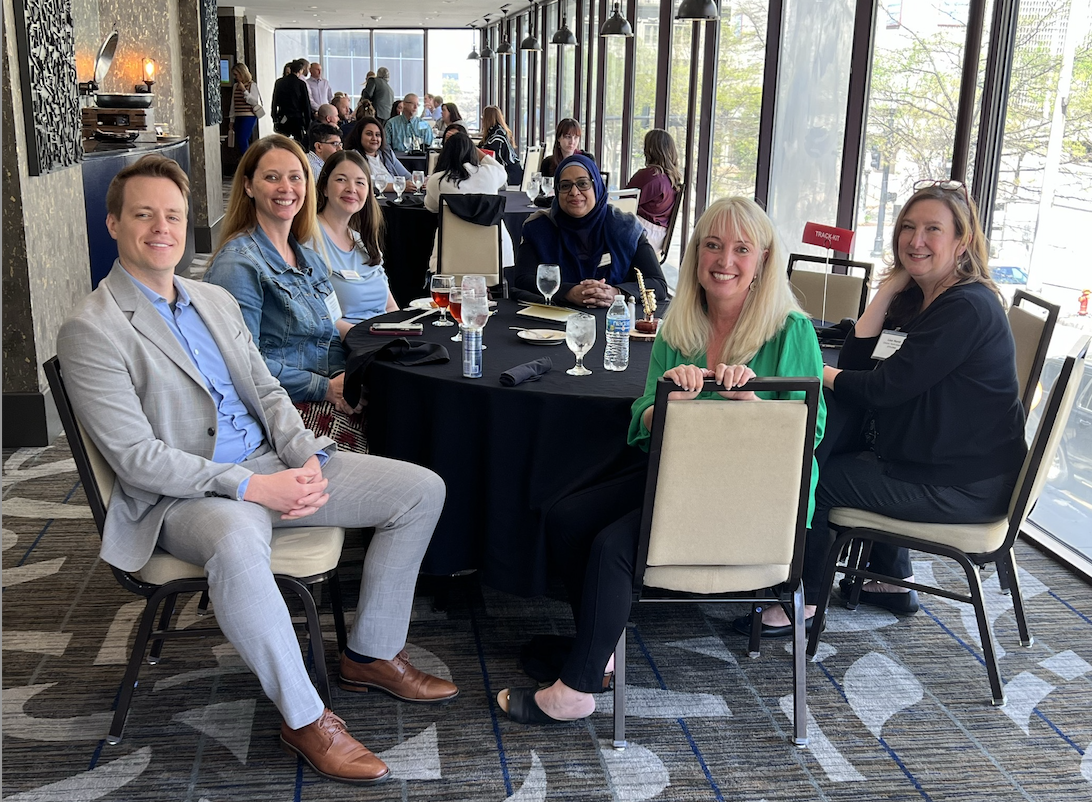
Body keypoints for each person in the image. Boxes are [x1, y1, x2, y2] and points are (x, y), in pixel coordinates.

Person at [56, 154, 456, 784]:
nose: (161, 228)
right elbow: (136, 458)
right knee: (240, 542)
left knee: (419, 490)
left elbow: (270, 393)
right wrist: (251, 485)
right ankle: (305, 716)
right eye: (143, 215)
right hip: (185, 496)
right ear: (112, 224)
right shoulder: (92, 329)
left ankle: (371, 652)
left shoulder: (212, 300)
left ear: (189, 223)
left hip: (272, 464)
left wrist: (306, 461)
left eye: (173, 215)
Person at [496, 197, 826, 724]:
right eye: (713, 245)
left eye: (742, 249)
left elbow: (810, 433)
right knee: (566, 518)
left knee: (612, 547)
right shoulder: (679, 328)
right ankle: (598, 655)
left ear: (762, 260)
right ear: (696, 255)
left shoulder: (791, 331)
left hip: (756, 499)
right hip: (680, 477)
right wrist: (669, 405)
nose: (725, 260)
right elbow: (643, 419)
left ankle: (577, 689)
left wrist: (753, 405)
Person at [762, 180, 1028, 635]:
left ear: (962, 240)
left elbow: (879, 389)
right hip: (938, 460)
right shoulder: (930, 297)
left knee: (817, 478)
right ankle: (889, 582)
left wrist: (814, 372)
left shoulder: (966, 307)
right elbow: (856, 364)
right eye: (907, 227)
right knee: (841, 446)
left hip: (964, 484)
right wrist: (887, 289)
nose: (915, 240)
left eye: (932, 229)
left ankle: (805, 600)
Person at [204, 135, 365, 452]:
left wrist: (343, 380)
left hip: (323, 395)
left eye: (296, 177)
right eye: (272, 177)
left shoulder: (311, 259)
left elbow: (330, 333)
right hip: (277, 413)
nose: (286, 188)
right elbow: (241, 365)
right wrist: (325, 388)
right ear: (249, 186)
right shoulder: (238, 266)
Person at [515, 154, 667, 308]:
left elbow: (658, 284)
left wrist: (617, 293)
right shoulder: (539, 228)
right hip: (554, 324)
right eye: (565, 186)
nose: (574, 192)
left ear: (597, 186)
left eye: (583, 183)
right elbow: (522, 280)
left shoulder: (625, 228)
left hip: (615, 323)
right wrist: (568, 292)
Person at [312, 151, 398, 337]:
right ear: (324, 188)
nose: (351, 188)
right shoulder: (310, 239)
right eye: (341, 180)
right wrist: (367, 341)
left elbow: (390, 307)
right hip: (346, 347)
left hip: (381, 342)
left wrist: (401, 335)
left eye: (360, 182)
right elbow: (319, 316)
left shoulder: (362, 241)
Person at [424, 131, 513, 268]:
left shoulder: (437, 180)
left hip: (452, 253)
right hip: (495, 253)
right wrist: (474, 148)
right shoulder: (491, 173)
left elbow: (431, 207)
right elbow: (501, 169)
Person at [626, 128, 682, 253]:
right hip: (659, 239)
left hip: (641, 235)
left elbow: (624, 205)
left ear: (650, 150)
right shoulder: (672, 178)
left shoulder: (649, 175)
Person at [345, 115, 413, 191]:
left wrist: (417, 182)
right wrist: (398, 186)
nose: (374, 138)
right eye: (369, 134)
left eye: (377, 135)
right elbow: (366, 183)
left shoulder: (387, 153)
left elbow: (406, 176)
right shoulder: (353, 156)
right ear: (359, 136)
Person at [479, 105, 520, 185]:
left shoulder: (496, 137)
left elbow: (490, 157)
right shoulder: (500, 132)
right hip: (514, 172)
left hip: (509, 176)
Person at [272, 59, 311, 143]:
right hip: (297, 118)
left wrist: (274, 116)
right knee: (299, 142)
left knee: (282, 142)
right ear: (300, 70)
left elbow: (274, 101)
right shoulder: (301, 84)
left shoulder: (279, 82)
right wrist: (308, 122)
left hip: (283, 116)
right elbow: (306, 104)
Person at [227, 63, 261, 155]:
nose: (235, 77)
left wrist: (244, 91)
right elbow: (233, 104)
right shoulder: (235, 86)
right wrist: (231, 120)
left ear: (242, 73)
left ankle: (247, 160)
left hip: (249, 116)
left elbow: (254, 101)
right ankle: (245, 159)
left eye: (236, 75)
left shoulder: (252, 85)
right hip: (238, 116)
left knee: (243, 139)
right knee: (239, 140)